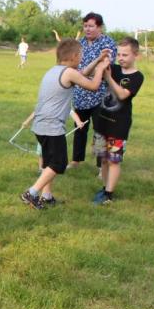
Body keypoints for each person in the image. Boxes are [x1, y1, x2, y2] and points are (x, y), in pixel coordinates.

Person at [20, 39, 109, 209]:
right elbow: (93, 85)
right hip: (52, 126)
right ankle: (31, 193)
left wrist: (98, 59)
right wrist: (100, 69)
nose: (81, 58)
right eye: (80, 55)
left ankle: (46, 196)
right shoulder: (69, 73)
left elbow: (82, 74)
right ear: (74, 56)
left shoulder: (55, 71)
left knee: (48, 162)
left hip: (40, 125)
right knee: (58, 163)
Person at [91, 37, 145, 205]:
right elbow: (90, 73)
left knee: (113, 160)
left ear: (136, 55)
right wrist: (100, 60)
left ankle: (109, 194)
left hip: (118, 125)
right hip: (102, 122)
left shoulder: (137, 77)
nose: (120, 58)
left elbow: (122, 95)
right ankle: (104, 188)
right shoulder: (113, 68)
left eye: (125, 55)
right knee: (103, 159)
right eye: (119, 54)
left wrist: (108, 77)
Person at [69, 12, 117, 168]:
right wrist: (83, 73)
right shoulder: (80, 43)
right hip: (80, 93)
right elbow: (73, 66)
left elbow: (105, 67)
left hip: (100, 94)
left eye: (91, 26)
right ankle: (76, 160)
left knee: (100, 131)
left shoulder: (108, 43)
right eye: (85, 26)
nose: (87, 29)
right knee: (79, 127)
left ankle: (101, 165)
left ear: (100, 27)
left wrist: (84, 73)